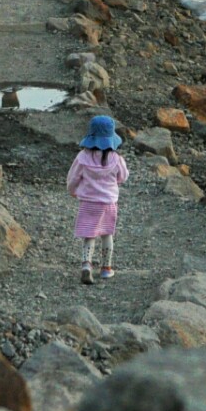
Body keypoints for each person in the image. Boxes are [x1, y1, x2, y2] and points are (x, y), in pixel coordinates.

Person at [66, 114, 129, 284]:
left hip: (88, 202)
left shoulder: (82, 157)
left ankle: (86, 265)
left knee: (89, 234)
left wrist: (72, 190)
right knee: (107, 234)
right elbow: (123, 177)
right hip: (108, 203)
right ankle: (106, 269)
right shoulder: (116, 159)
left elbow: (72, 178)